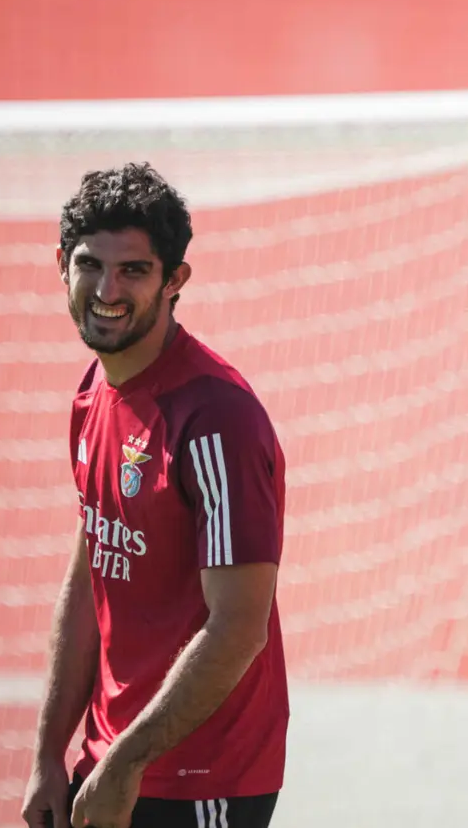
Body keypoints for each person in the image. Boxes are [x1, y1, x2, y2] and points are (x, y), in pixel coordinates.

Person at [20, 162, 288, 828]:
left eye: (134, 270)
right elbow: (90, 575)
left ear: (175, 280)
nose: (108, 289)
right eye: (91, 264)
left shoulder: (216, 417)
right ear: (62, 265)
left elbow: (238, 626)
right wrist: (51, 752)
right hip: (113, 760)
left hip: (200, 779)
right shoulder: (93, 391)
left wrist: (125, 763)